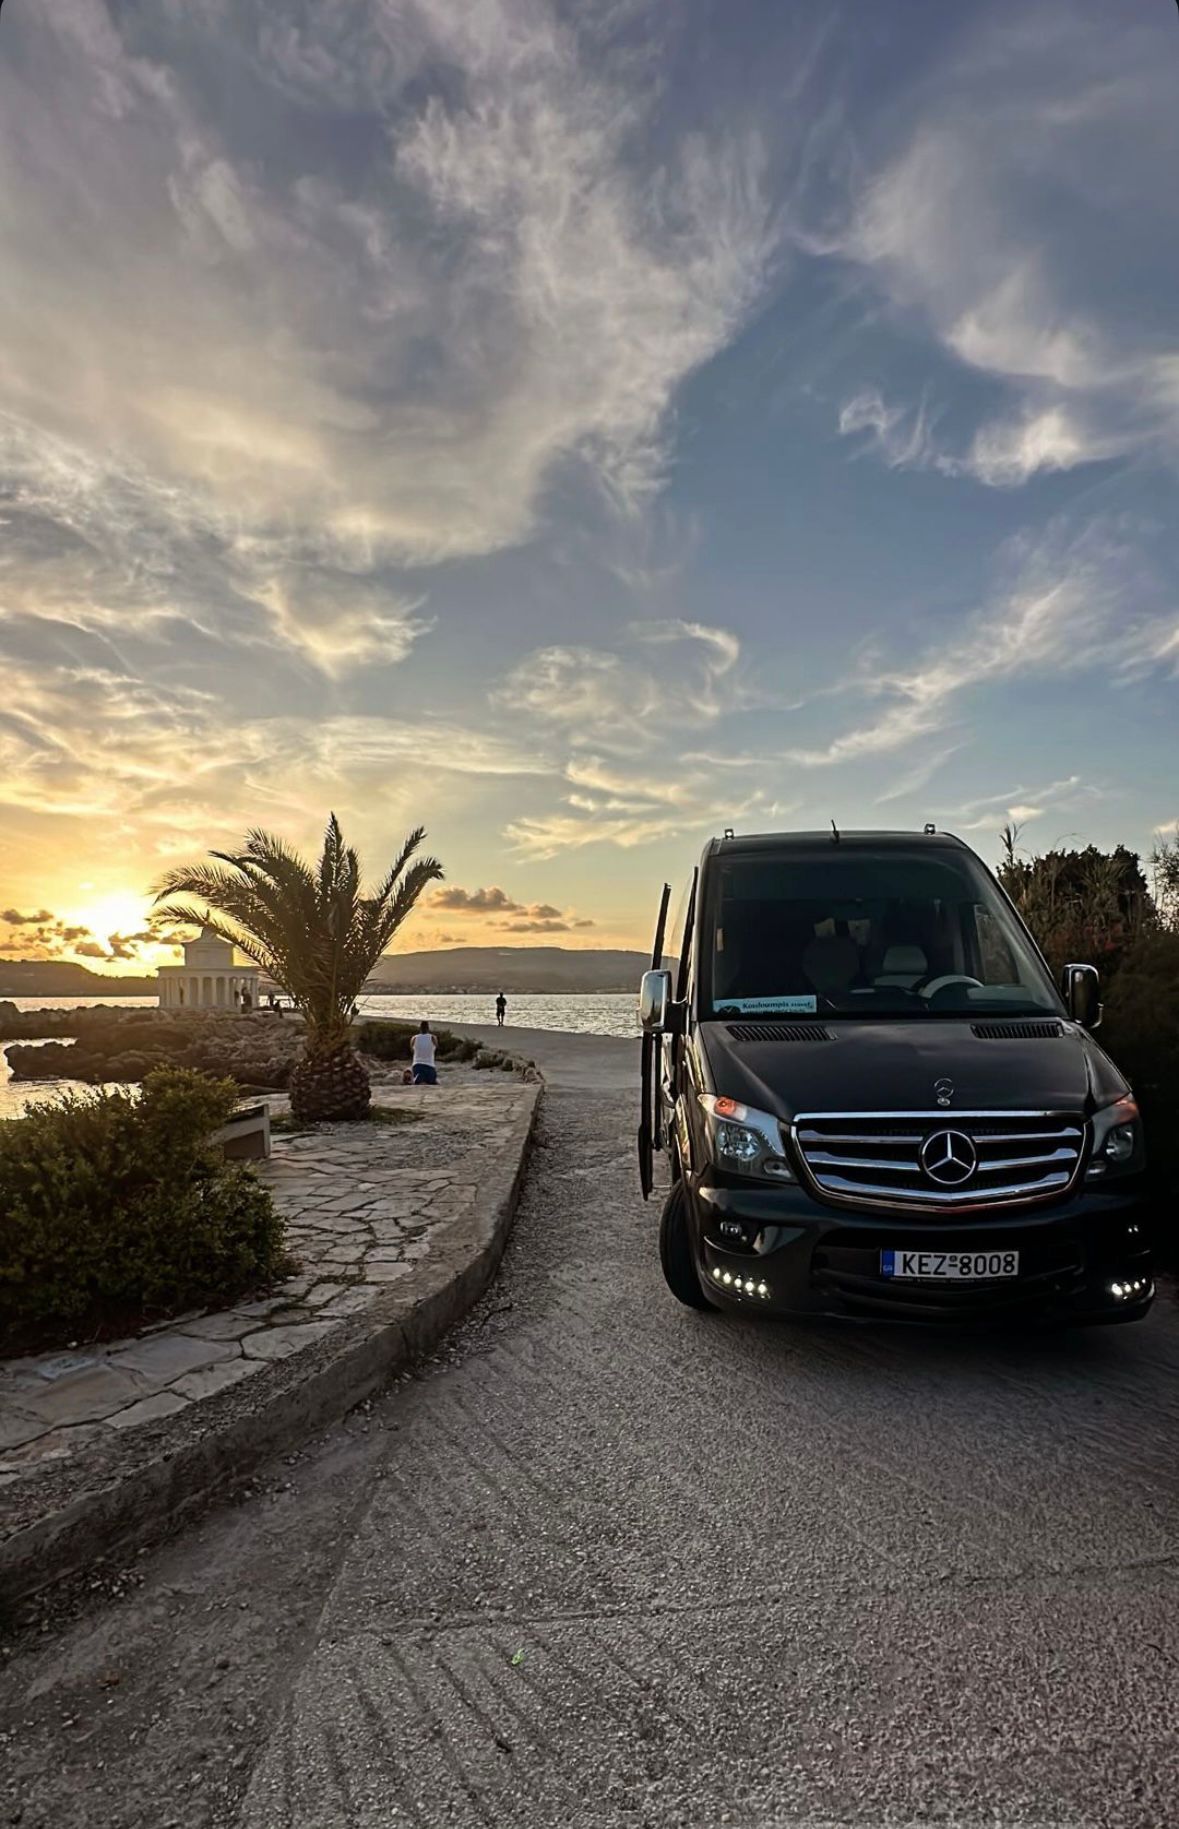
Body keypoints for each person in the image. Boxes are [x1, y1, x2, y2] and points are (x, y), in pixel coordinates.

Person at [411, 1019, 438, 1085]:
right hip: (430, 1065)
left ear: (420, 1028)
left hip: (417, 1065)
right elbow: (436, 1047)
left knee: (419, 1081)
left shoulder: (414, 1038)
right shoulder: (433, 1038)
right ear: (428, 1028)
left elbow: (412, 1050)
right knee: (431, 1081)